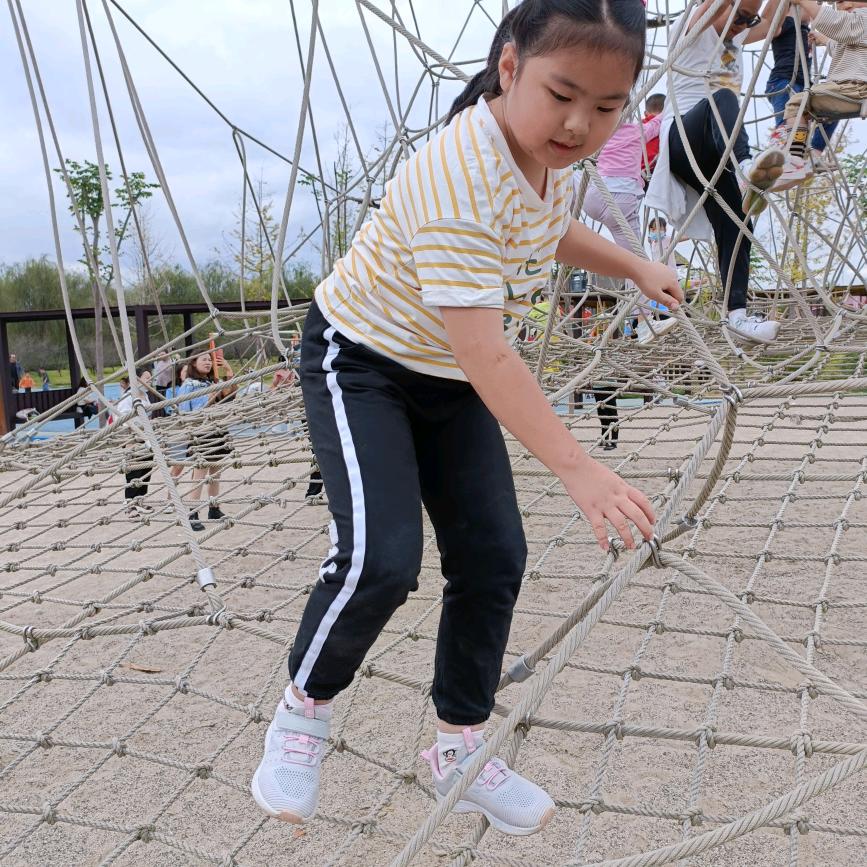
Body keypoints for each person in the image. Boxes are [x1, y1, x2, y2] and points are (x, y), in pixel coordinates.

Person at [250, 0, 683, 835]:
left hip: (445, 375)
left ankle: (458, 740)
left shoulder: (541, 159)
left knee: (492, 555)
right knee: (381, 559)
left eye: (605, 107)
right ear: (509, 66)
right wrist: (579, 468)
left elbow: (546, 226)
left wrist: (631, 262)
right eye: (562, 94)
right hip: (363, 362)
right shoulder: (456, 171)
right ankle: (304, 707)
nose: (578, 123)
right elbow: (490, 356)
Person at [645, 0, 789, 345]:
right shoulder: (690, 28)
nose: (742, 24)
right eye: (738, 16)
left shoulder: (736, 39)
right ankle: (744, 167)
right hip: (683, 136)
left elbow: (773, 24)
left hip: (716, 148)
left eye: (748, 19)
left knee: (738, 222)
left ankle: (737, 318)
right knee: (724, 97)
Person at [581, 93, 677, 345]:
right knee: (638, 265)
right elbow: (661, 119)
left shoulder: (598, 133)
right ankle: (643, 323)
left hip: (593, 194)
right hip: (619, 201)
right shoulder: (637, 131)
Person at [774, 0, 867, 178]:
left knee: (796, 103)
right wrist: (823, 39)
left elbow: (839, 25)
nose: (846, 5)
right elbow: (841, 44)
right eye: (840, 2)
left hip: (855, 88)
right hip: (852, 90)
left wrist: (804, 2)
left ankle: (794, 159)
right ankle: (801, 157)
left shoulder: (862, 18)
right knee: (811, 105)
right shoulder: (857, 28)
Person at [766, 4, 837, 173]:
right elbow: (772, 26)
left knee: (833, 109)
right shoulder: (788, 22)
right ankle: (787, 157)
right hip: (783, 81)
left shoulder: (806, 29)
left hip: (804, 85)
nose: (814, 8)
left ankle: (815, 154)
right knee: (791, 122)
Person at [177, 350, 237, 531]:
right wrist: (212, 396)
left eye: (210, 360)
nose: (208, 363)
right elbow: (185, 411)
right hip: (201, 432)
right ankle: (192, 512)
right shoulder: (189, 385)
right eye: (203, 359)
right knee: (200, 473)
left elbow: (230, 396)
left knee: (216, 471)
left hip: (217, 429)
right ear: (193, 363)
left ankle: (214, 507)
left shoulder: (211, 382)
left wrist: (228, 370)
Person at [115, 368, 154, 519]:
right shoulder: (129, 395)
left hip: (147, 436)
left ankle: (140, 500)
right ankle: (130, 504)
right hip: (133, 437)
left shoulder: (145, 395)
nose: (149, 380)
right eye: (146, 377)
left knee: (146, 469)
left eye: (150, 377)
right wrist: (139, 434)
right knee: (134, 471)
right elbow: (124, 417)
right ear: (135, 379)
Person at [641, 93, 666, 183]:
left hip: (637, 171)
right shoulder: (667, 124)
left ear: (645, 113)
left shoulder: (640, 125)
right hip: (656, 169)